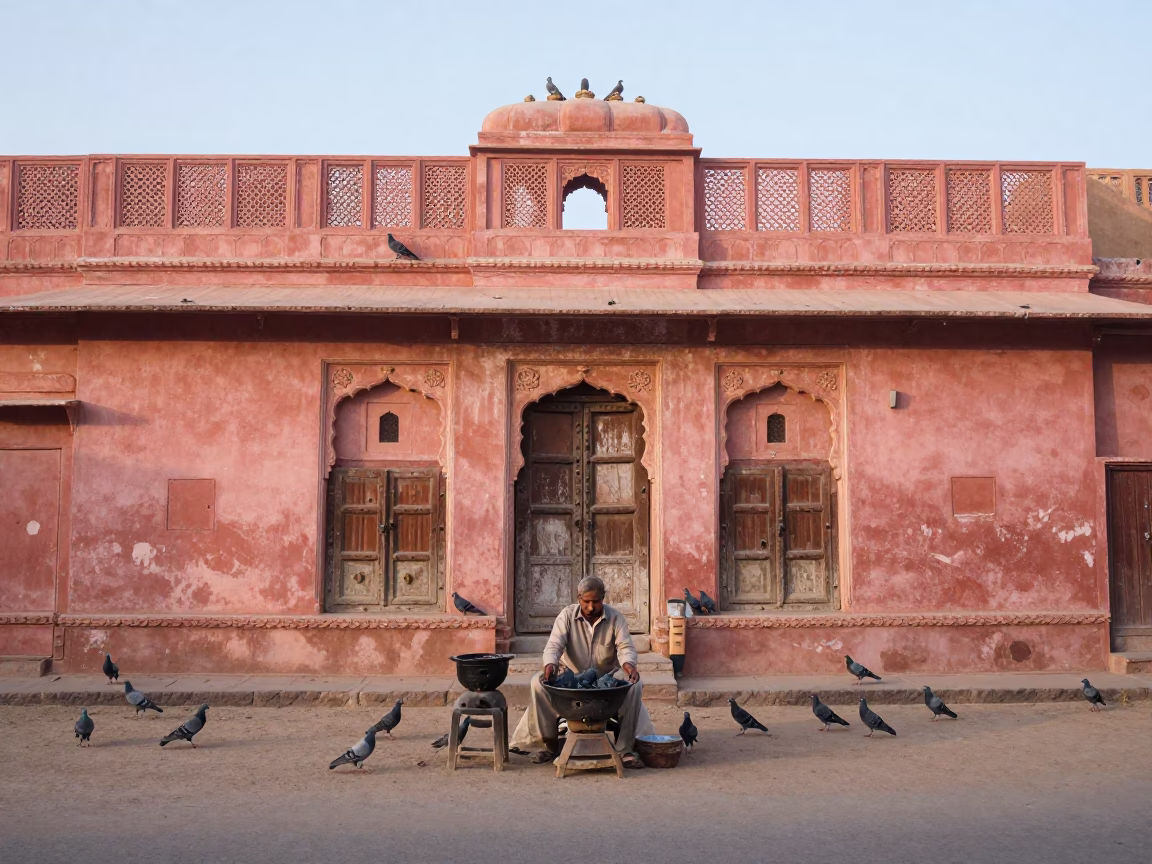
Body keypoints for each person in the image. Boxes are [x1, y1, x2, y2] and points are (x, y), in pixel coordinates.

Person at [509, 575, 656, 768]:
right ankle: (549, 746)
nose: (590, 607)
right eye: (586, 601)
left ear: (603, 598)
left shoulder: (616, 618)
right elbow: (554, 645)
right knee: (538, 682)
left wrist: (629, 665)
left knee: (634, 684)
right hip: (572, 682)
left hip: (605, 684)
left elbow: (625, 647)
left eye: (596, 601)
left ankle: (625, 750)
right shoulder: (566, 615)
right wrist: (550, 665)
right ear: (578, 598)